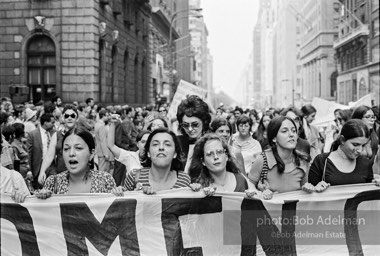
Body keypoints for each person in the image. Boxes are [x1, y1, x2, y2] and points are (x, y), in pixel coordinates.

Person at [36, 127, 116, 197]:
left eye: (78, 148)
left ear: (91, 154)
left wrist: (118, 194)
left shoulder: (105, 180)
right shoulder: (52, 183)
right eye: (66, 149)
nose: (71, 154)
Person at [112, 128, 190, 195]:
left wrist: (196, 190)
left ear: (175, 153)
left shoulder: (184, 180)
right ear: (148, 152)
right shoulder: (134, 176)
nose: (161, 148)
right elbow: (125, 208)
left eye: (167, 144)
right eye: (155, 144)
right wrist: (119, 193)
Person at [248, 116, 311, 200]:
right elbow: (250, 185)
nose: (291, 134)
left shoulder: (303, 161)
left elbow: (305, 191)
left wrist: (310, 188)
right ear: (274, 138)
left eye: (294, 131)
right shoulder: (262, 159)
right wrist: (260, 193)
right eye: (284, 131)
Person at [308, 119, 373, 189]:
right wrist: (315, 188)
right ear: (342, 140)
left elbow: (369, 194)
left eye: (363, 145)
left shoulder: (365, 163)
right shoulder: (322, 161)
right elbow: (311, 191)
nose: (360, 150)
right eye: (355, 144)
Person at [38, 104, 78, 185]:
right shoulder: (57, 135)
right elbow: (49, 155)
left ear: (76, 118)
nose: (69, 118)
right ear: (63, 117)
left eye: (72, 115)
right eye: (67, 116)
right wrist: (42, 171)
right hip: (61, 176)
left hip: (79, 176)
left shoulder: (83, 134)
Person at [176, 95, 212, 173]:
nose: (190, 129)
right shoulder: (177, 142)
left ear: (204, 122)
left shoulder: (212, 143)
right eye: (185, 125)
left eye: (195, 124)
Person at [26, 113, 55, 189]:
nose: (54, 125)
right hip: (38, 167)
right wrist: (29, 170)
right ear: (45, 123)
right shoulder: (32, 135)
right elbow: (29, 154)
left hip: (52, 166)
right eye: (52, 122)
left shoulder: (54, 133)